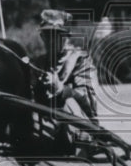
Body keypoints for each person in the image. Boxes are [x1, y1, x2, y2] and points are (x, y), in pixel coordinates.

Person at [38, 9, 99, 150]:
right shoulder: (38, 62)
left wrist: (61, 89)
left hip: (79, 124)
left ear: (66, 36)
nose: (51, 40)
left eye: (57, 35)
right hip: (47, 123)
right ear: (42, 36)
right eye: (47, 35)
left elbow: (89, 101)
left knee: (68, 101)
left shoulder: (80, 61)